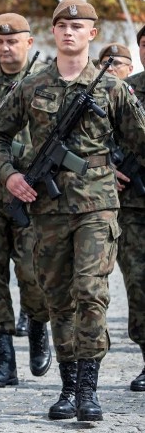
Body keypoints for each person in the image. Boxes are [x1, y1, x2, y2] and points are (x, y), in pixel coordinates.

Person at [0, 0, 145, 422]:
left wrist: (120, 165)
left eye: (79, 27)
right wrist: (10, 176)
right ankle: (69, 386)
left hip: (97, 206)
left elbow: (140, 140)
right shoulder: (33, 86)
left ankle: (89, 390)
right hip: (48, 207)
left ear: (92, 34)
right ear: (54, 33)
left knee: (90, 292)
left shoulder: (113, 88)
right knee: (58, 298)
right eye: (62, 26)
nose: (70, 32)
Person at [0, 13, 52, 391]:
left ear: (29, 42)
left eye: (13, 41)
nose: (5, 47)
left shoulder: (43, 82)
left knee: (33, 274)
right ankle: (4, 359)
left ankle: (37, 326)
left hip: (30, 195)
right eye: (0, 41)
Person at [116, 24, 145, 392]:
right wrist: (107, 164)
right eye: (144, 43)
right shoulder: (125, 90)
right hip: (133, 206)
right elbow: (96, 135)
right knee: (138, 284)